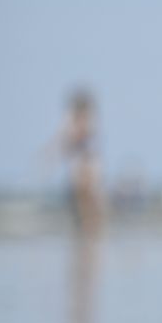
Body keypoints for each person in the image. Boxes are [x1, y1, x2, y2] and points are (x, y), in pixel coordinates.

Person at [57, 88, 103, 230]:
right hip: (79, 166)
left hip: (87, 166)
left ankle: (90, 231)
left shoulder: (89, 120)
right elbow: (65, 142)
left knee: (89, 202)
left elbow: (83, 136)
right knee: (81, 204)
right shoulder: (71, 120)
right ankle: (86, 230)